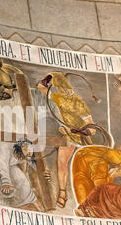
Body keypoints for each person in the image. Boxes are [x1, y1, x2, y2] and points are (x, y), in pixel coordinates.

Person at [36, 72, 97, 208]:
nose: (61, 89)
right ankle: (62, 193)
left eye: (62, 86)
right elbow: (40, 87)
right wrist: (51, 76)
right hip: (68, 137)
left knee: (84, 170)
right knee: (61, 162)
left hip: (82, 138)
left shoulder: (79, 103)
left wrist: (72, 130)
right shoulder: (58, 98)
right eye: (58, 87)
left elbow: (92, 130)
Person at [0, 138, 46, 210]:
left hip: (9, 166)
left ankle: (27, 203)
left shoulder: (23, 154)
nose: (28, 152)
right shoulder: (5, 145)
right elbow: (3, 165)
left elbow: (34, 164)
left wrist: (43, 173)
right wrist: (6, 183)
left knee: (21, 180)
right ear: (21, 146)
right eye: (26, 149)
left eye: (30, 151)